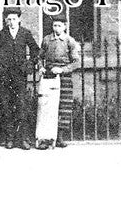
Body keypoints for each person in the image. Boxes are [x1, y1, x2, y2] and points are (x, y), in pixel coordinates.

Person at [0, 8, 40, 149]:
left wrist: (29, 65)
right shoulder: (1, 35)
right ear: (6, 20)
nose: (11, 22)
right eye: (9, 19)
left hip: (20, 76)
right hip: (5, 77)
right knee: (6, 107)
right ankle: (9, 138)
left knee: (21, 106)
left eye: (14, 19)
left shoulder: (25, 33)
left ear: (19, 19)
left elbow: (36, 50)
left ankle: (23, 139)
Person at [36, 17, 81, 149]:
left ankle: (59, 137)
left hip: (64, 77)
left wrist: (62, 69)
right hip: (49, 76)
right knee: (47, 106)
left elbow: (76, 62)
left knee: (63, 106)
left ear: (65, 27)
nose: (56, 28)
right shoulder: (46, 40)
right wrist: (42, 67)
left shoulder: (69, 41)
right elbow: (39, 57)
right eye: (55, 25)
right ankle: (46, 138)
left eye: (59, 26)